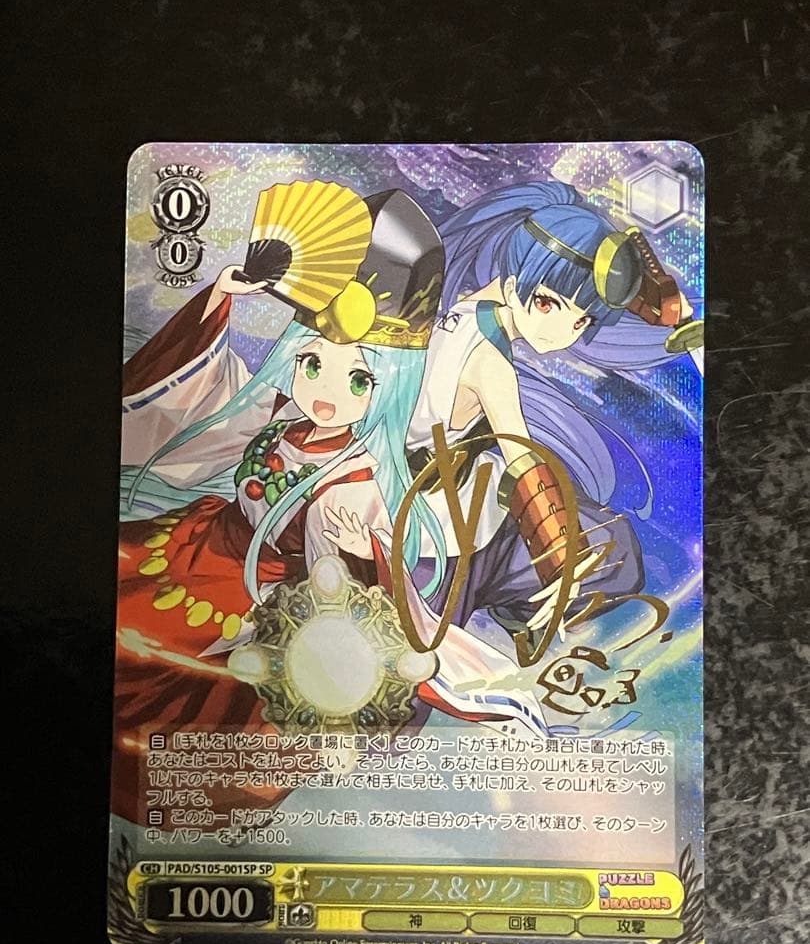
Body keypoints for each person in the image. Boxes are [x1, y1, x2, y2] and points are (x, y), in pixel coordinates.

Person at [113, 182, 549, 826]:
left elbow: (364, 599)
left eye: (359, 378)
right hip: (188, 550)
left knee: (171, 713)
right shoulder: (278, 415)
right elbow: (194, 408)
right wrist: (218, 300)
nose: (325, 391)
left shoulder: (354, 484)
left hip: (255, 607)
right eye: (312, 363)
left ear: (389, 386)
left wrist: (345, 554)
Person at [408, 179, 692, 638]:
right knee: (612, 552)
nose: (563, 332)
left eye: (582, 321)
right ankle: (519, 612)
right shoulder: (488, 362)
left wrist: (652, 302)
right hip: (434, 537)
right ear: (517, 283)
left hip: (442, 505)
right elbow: (524, 466)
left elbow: (581, 279)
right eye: (547, 304)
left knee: (609, 540)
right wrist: (563, 567)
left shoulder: (463, 310)